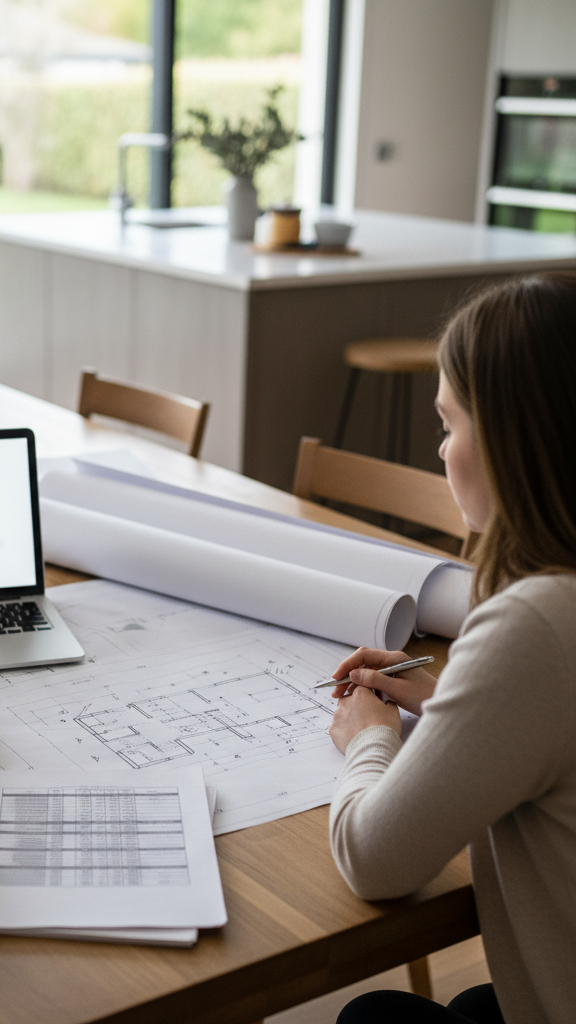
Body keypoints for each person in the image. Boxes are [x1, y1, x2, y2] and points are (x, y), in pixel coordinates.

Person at [325, 272, 576, 1024]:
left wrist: (370, 740)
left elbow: (375, 861)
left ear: (509, 436)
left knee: (373, 1018)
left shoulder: (537, 622)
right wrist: (453, 708)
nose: (441, 450)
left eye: (450, 422)